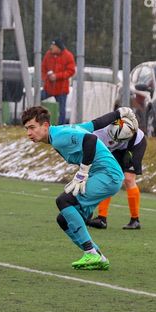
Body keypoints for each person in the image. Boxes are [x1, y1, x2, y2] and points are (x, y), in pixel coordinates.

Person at [22, 105, 124, 270]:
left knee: (63, 201)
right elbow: (95, 124)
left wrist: (83, 172)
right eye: (26, 129)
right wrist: (119, 113)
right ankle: (98, 256)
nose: (29, 133)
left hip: (108, 175)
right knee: (64, 219)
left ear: (45, 125)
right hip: (104, 174)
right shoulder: (61, 131)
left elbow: (90, 140)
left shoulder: (59, 136)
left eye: (32, 127)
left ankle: (91, 253)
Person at [79, 107, 146, 230]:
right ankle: (101, 218)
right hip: (114, 150)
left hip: (134, 145)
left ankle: (135, 220)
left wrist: (128, 151)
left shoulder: (133, 131)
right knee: (107, 177)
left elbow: (133, 125)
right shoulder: (98, 134)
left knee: (128, 179)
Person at [41, 38, 76, 125]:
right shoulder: (48, 54)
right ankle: (38, 122)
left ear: (58, 47)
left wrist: (57, 76)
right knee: (38, 101)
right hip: (48, 87)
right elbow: (43, 68)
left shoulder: (68, 56)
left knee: (61, 110)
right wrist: (45, 78)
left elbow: (71, 71)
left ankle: (61, 126)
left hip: (61, 89)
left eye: (53, 46)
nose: (51, 47)